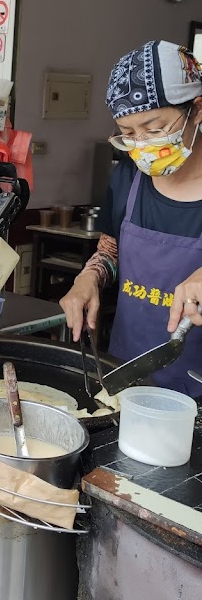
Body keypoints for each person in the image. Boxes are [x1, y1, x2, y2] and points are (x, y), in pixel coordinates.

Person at [61, 40, 202, 398]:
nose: (142, 145)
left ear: (197, 111)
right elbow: (112, 249)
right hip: (128, 379)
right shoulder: (128, 178)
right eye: (128, 134)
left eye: (154, 129)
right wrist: (89, 277)